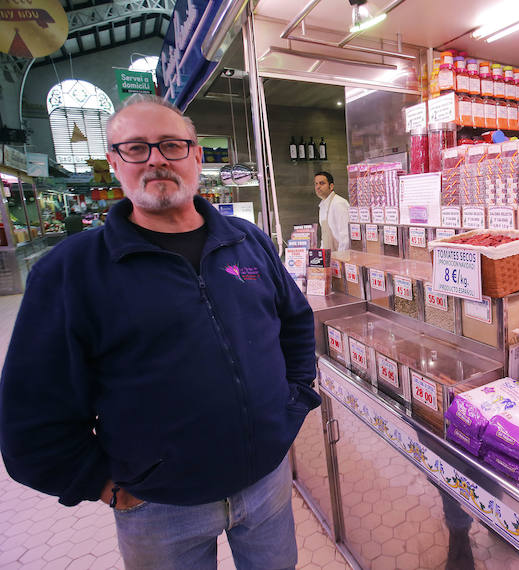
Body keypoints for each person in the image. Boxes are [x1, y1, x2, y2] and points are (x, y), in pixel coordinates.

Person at [0, 94, 320, 568]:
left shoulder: (247, 241)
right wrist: (101, 484)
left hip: (266, 482)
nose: (155, 159)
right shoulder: (72, 270)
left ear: (196, 155)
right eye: (136, 148)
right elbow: (31, 409)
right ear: (115, 162)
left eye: (171, 145)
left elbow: (294, 322)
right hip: (159, 506)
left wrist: (292, 404)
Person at [314, 170, 350, 251]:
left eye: (322, 183)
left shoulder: (338, 203)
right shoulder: (322, 205)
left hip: (340, 255)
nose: (318, 187)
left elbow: (345, 236)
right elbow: (324, 238)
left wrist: (340, 256)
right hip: (329, 255)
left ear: (331, 186)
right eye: (316, 184)